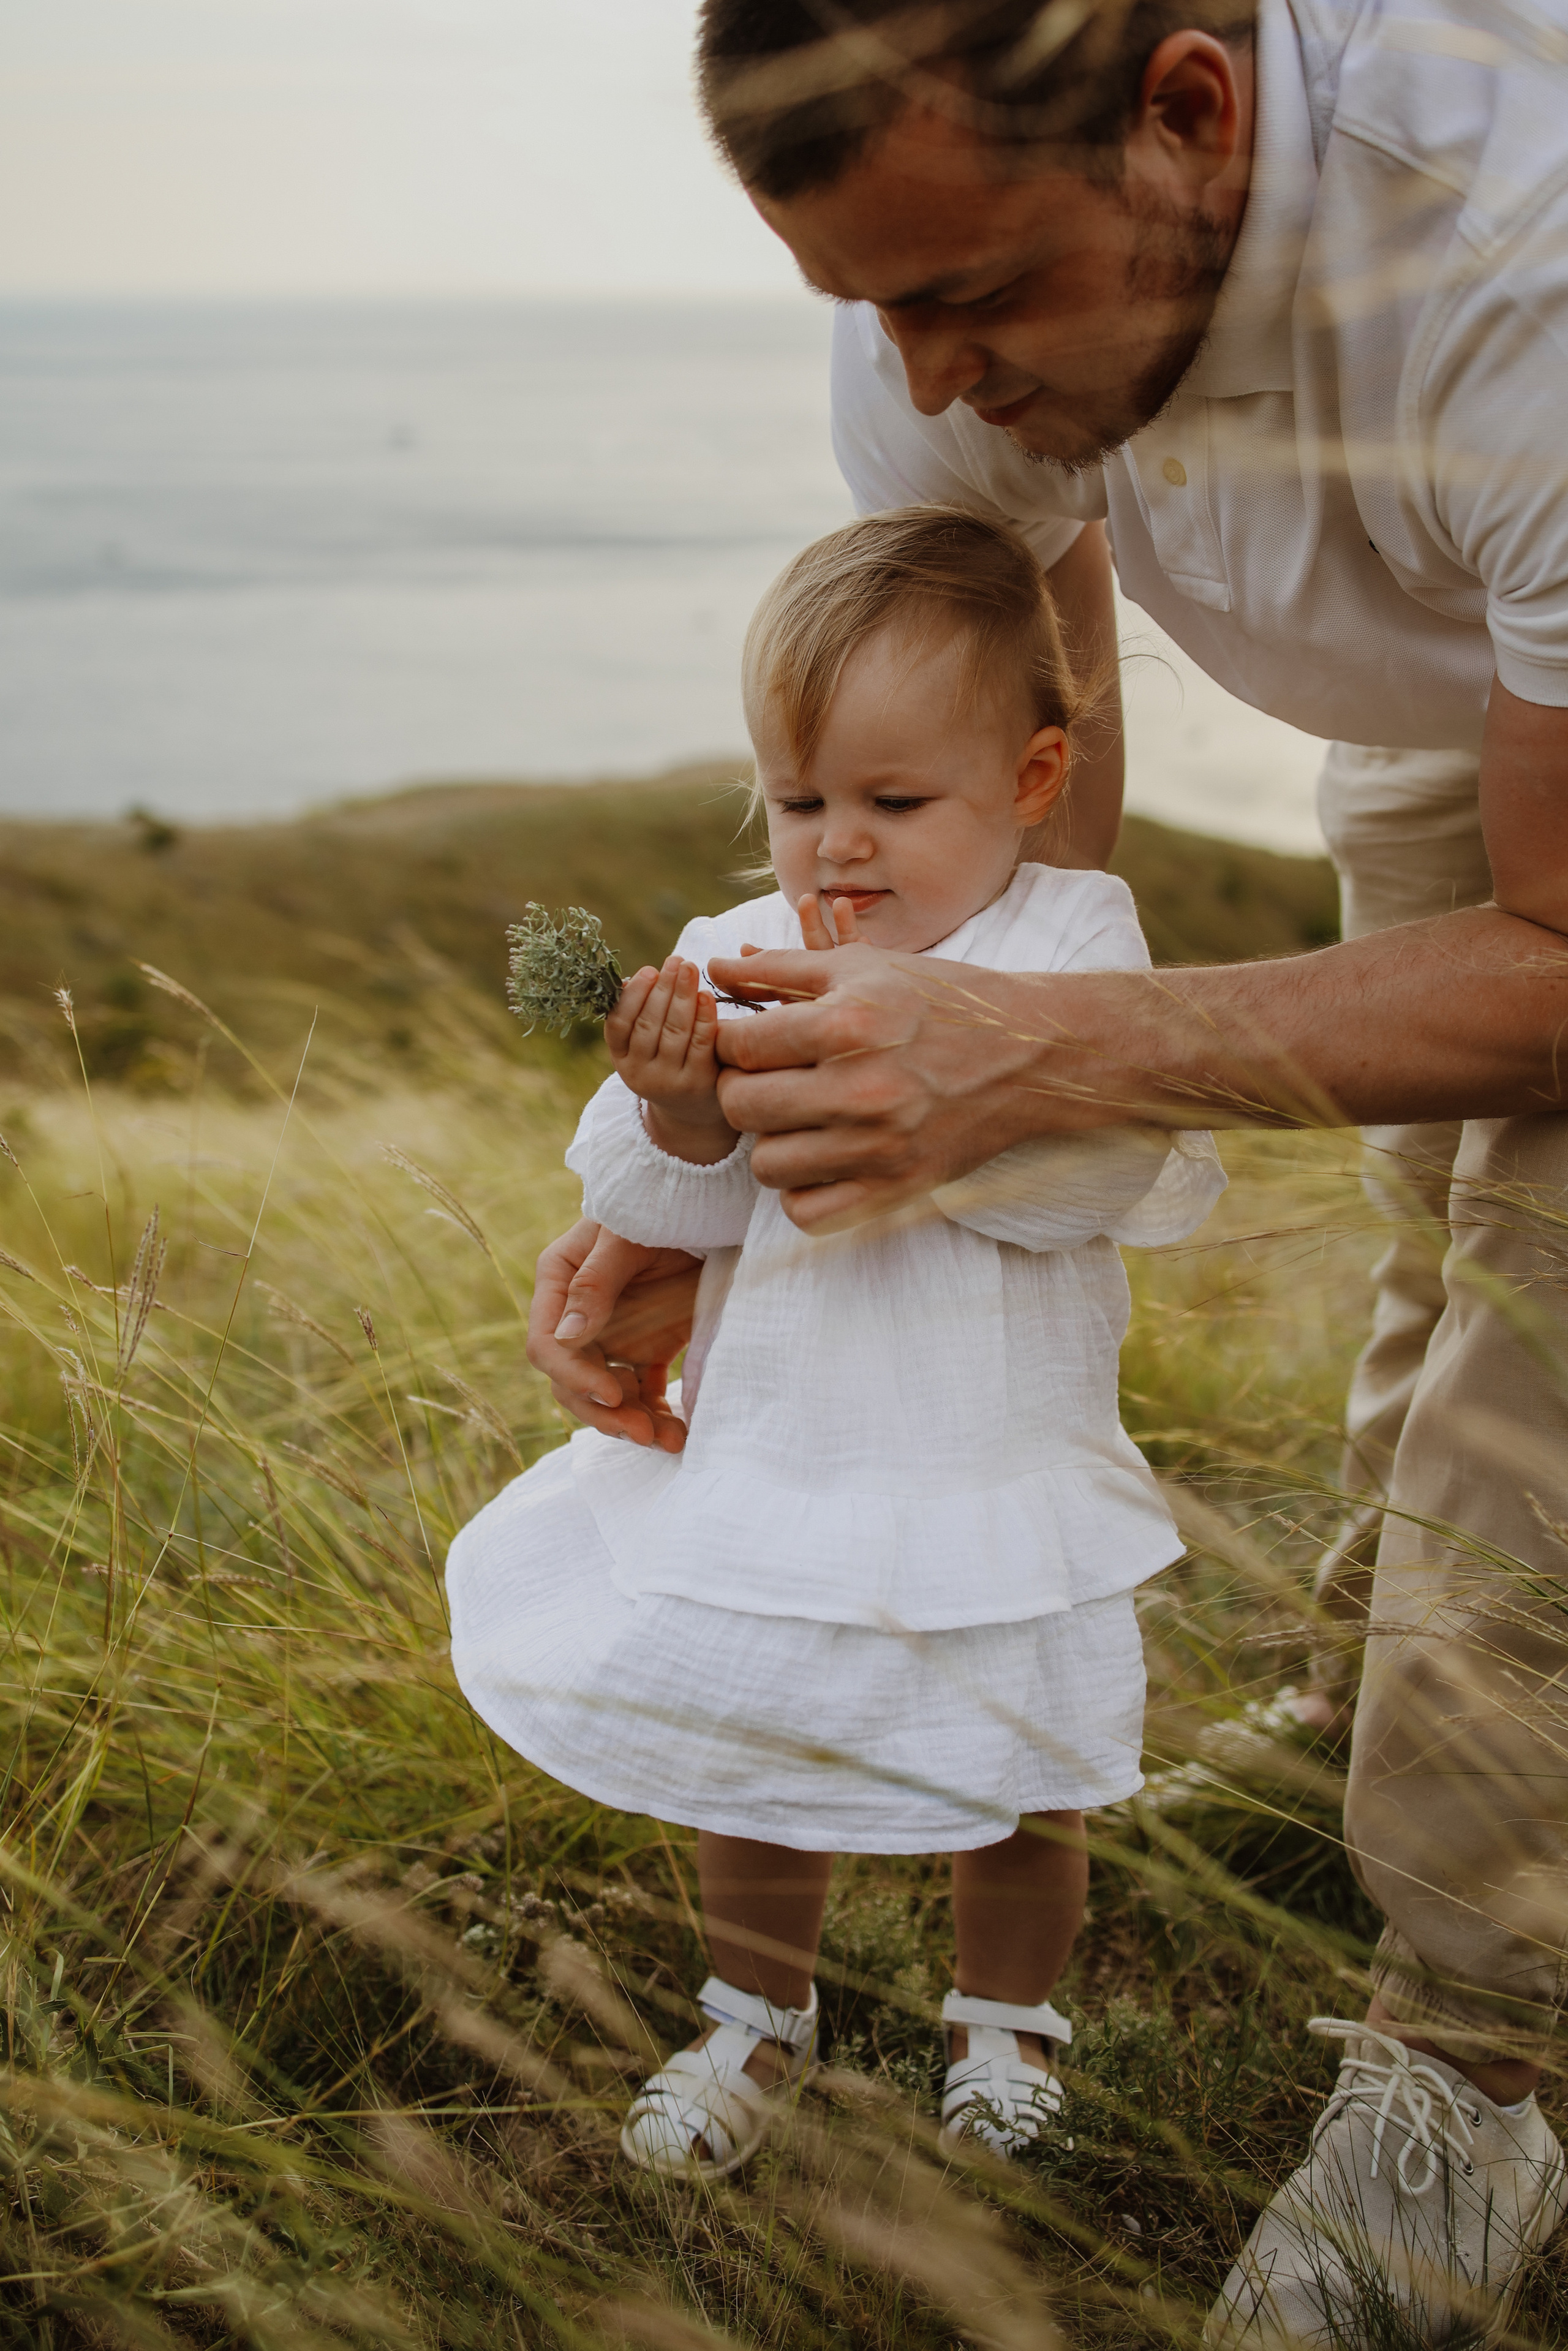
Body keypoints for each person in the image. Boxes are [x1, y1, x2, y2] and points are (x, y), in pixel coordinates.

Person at [526, 1, 1568, 2338]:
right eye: (869, 307)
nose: (924, 377)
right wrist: (718, 1169)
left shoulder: (1529, 254)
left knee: (1550, 1266)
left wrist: (1054, 1049)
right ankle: (1347, 1696)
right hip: (1466, 653)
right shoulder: (934, 306)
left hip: (1540, 587)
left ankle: (1473, 2062)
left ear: (1190, 115)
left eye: (974, 295)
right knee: (1430, 1201)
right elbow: (1022, 729)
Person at [449, 507, 1225, 2179]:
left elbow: (1107, 1183)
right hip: (787, 1446)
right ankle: (755, 2011)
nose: (837, 850)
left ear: (1029, 779)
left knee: (1024, 1780)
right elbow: (666, 1208)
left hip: (995, 1455)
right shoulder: (737, 954)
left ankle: (1004, 2023)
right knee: (756, 1752)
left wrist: (934, 1120)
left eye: (897, 803)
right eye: (799, 803)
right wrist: (683, 1109)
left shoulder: (1070, 941)